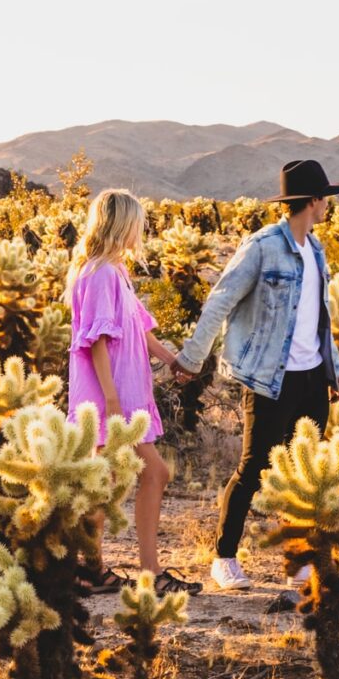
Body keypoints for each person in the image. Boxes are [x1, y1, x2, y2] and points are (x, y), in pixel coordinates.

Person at [172, 160, 339, 590]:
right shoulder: (263, 245)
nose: (329, 205)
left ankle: (299, 559)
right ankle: (224, 557)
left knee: (304, 472)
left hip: (312, 376)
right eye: (326, 197)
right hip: (271, 377)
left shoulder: (317, 249)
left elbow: (320, 316)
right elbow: (220, 301)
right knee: (253, 469)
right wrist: (193, 358)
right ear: (313, 201)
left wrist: (334, 366)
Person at [67, 188, 203, 595]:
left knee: (103, 480)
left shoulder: (115, 271)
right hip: (111, 394)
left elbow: (139, 328)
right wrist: (110, 398)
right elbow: (97, 340)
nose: (141, 231)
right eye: (138, 222)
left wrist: (172, 360)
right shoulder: (101, 273)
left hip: (124, 391)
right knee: (152, 473)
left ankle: (92, 569)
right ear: (123, 223)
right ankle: (149, 573)